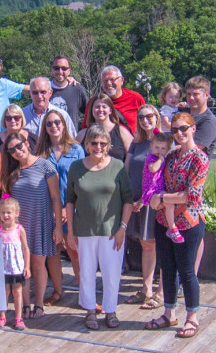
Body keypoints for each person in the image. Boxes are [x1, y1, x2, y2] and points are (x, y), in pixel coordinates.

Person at [145, 113, 209, 339]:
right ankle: (169, 313)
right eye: (175, 130)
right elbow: (155, 179)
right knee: (167, 268)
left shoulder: (199, 158)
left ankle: (192, 317)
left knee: (187, 271)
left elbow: (191, 196)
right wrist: (152, 196)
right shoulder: (170, 156)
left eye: (184, 129)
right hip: (164, 220)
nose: (179, 133)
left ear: (193, 129)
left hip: (188, 222)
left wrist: (162, 198)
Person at [65, 125, 133, 330]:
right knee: (86, 272)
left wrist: (122, 228)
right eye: (94, 143)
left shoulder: (118, 166)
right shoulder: (76, 167)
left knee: (112, 273)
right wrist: (70, 232)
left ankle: (110, 310)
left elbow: (128, 200)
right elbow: (69, 201)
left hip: (112, 231)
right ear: (86, 145)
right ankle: (90, 311)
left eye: (103, 143)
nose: (98, 147)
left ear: (108, 146)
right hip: (84, 230)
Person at [2, 132, 63, 319]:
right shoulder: (11, 171)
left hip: (41, 221)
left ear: (27, 143)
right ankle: (25, 304)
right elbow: (6, 198)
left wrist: (58, 226)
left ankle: (39, 303)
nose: (17, 151)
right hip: (19, 226)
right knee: (21, 266)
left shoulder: (45, 166)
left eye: (19, 146)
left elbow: (55, 197)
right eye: (12, 150)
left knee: (37, 264)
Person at [34, 109, 85, 306]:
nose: (53, 126)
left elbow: (80, 182)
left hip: (71, 209)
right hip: (47, 210)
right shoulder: (40, 153)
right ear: (44, 128)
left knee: (74, 251)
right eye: (49, 124)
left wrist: (66, 209)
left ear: (64, 125)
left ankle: (85, 293)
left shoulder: (76, 150)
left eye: (57, 122)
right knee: (52, 252)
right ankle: (57, 291)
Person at [124, 104, 164, 309]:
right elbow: (127, 169)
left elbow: (160, 175)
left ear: (156, 117)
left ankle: (162, 291)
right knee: (145, 243)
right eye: (141, 117)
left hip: (154, 201)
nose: (145, 120)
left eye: (150, 116)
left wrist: (144, 200)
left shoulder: (163, 142)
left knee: (158, 243)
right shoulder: (136, 142)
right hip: (136, 199)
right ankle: (146, 289)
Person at [0, 195, 31, 331]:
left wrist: (27, 266)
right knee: (4, 291)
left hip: (16, 267)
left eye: (9, 212)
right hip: (2, 267)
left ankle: (18, 318)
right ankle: (2, 316)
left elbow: (26, 248)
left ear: (16, 214)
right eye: (3, 213)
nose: (6, 215)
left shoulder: (19, 229)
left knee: (17, 291)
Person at [82, 65, 144, 132]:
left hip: (130, 141)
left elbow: (148, 123)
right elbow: (86, 128)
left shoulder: (135, 98)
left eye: (112, 79)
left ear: (121, 80)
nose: (109, 83)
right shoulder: (95, 102)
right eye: (105, 80)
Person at [77, 93, 133, 161]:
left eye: (104, 107)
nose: (100, 110)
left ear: (110, 110)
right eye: (97, 107)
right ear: (91, 110)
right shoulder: (82, 135)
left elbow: (132, 157)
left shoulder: (122, 132)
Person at [181, 76, 216, 156]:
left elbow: (192, 150)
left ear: (206, 95)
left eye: (195, 94)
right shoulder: (181, 112)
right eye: (188, 94)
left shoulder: (209, 121)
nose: (191, 98)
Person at [50, 56, 88, 129]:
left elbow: (90, 114)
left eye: (64, 69)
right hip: (48, 139)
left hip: (71, 139)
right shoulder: (43, 90)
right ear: (52, 70)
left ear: (69, 71)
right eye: (56, 68)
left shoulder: (77, 90)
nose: (60, 71)